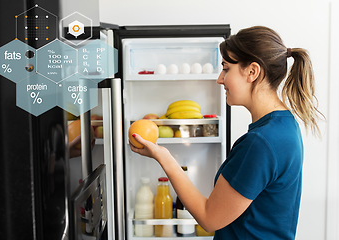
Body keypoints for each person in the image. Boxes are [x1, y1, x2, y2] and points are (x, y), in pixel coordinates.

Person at [130, 26, 323, 240]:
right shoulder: (284, 126)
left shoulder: (261, 142)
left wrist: (164, 157)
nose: (219, 79)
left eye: (226, 68)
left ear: (252, 72)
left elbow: (209, 217)